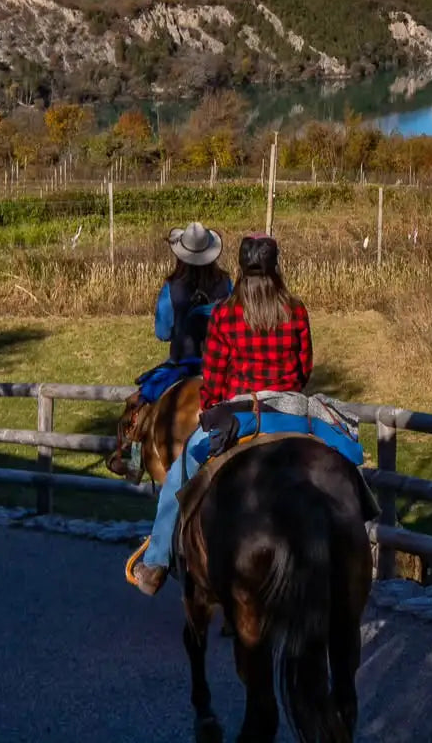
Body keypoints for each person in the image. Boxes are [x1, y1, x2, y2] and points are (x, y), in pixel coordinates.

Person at [132, 234, 313, 596]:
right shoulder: (295, 310)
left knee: (178, 476)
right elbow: (304, 367)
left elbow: (214, 378)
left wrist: (211, 405)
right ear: (275, 268)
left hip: (240, 412)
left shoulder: (228, 314)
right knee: (340, 450)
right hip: (291, 411)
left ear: (243, 269)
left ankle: (155, 563)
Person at [154, 222, 233, 364]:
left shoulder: (171, 286)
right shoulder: (225, 282)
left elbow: (162, 332)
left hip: (183, 361)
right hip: (220, 361)